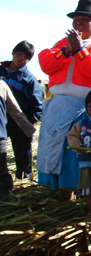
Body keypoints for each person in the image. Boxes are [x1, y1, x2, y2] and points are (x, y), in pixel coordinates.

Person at [37, 0, 91, 201]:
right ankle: (60, 190)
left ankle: (81, 192)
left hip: (85, 109)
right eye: (76, 19)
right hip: (59, 106)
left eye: (85, 19)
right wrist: (67, 50)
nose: (79, 22)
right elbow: (46, 63)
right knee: (57, 147)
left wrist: (80, 49)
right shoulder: (62, 44)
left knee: (76, 149)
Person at [0, 40, 43, 179]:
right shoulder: (1, 71)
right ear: (13, 53)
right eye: (20, 54)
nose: (22, 59)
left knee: (22, 152)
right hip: (1, 119)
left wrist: (30, 121)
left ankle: (24, 178)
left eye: (26, 57)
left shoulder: (29, 79)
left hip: (19, 120)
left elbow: (37, 104)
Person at [0, 80, 36, 196]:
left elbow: (15, 111)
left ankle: (5, 193)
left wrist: (29, 129)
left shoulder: (2, 85)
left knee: (1, 169)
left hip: (0, 136)